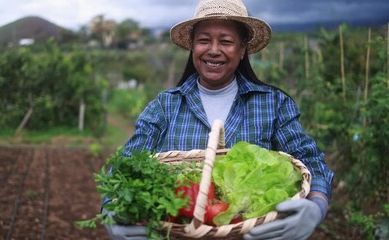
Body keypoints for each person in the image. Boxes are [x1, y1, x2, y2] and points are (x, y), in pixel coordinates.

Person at [103, 0, 334, 239]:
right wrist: (111, 208)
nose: (214, 50)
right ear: (192, 46)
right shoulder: (165, 106)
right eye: (204, 40)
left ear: (242, 49)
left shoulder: (273, 104)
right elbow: (126, 165)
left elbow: (310, 161)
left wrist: (317, 206)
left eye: (226, 41)